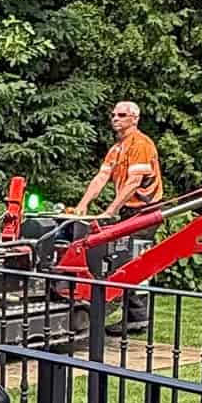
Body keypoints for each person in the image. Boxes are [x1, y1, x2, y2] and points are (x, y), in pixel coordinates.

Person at [68, 99, 165, 332]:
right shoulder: (117, 149)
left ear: (135, 119)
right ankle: (132, 316)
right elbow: (101, 177)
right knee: (122, 258)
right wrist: (82, 205)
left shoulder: (141, 144)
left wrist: (110, 210)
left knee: (133, 260)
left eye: (121, 115)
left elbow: (133, 182)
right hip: (129, 210)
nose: (115, 119)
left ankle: (137, 318)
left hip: (145, 211)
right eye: (113, 115)